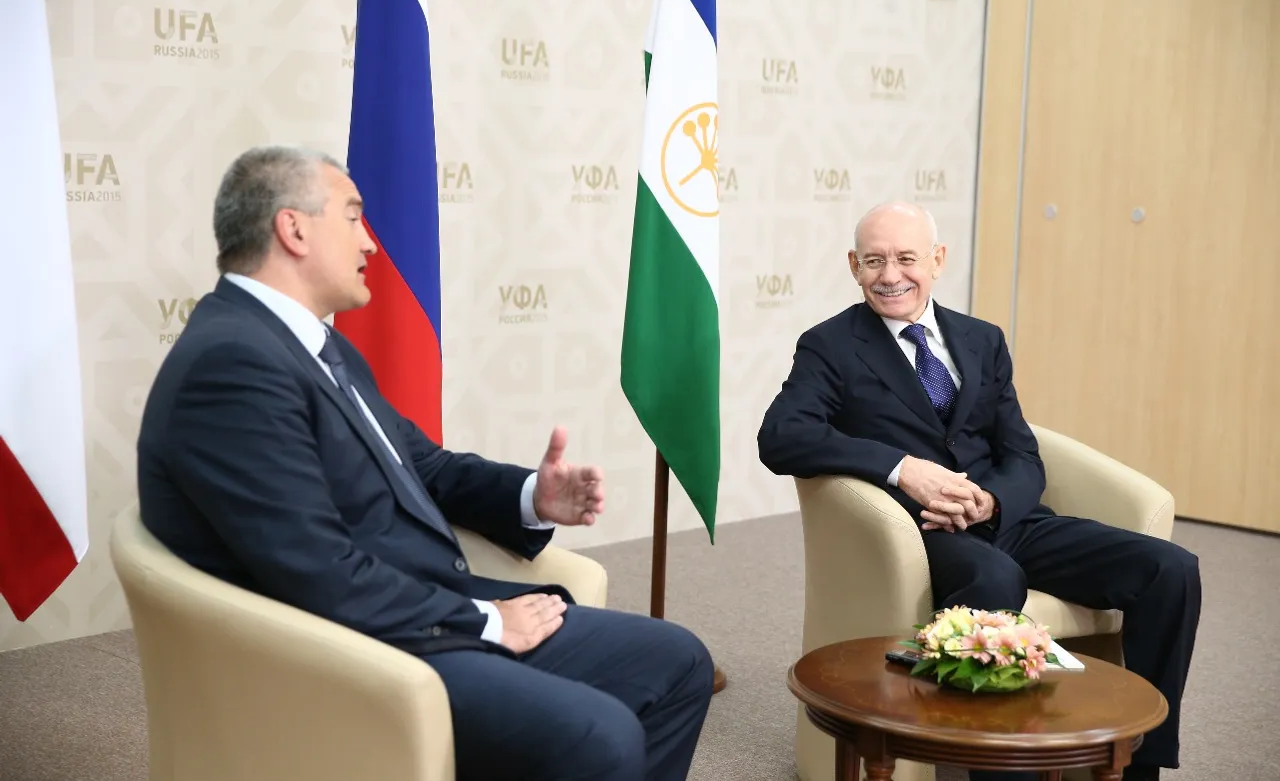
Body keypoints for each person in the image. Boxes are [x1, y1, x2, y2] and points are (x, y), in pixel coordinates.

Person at [136, 145, 714, 781]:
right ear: (293, 229)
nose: (371, 243)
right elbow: (316, 571)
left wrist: (531, 496)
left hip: (420, 613)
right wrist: (486, 621)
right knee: (603, 736)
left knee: (678, 661)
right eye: (352, 217)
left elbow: (423, 467)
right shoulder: (232, 366)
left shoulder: (311, 344)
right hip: (357, 655)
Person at [757, 201, 1199, 781]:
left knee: (1170, 569)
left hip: (1009, 519)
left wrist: (992, 502)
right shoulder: (831, 345)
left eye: (907, 258)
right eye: (875, 261)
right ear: (854, 266)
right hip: (920, 532)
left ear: (937, 260)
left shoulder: (982, 339)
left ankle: (1136, 764)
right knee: (995, 579)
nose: (891, 275)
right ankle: (999, 771)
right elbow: (781, 436)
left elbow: (1022, 454)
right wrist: (902, 469)